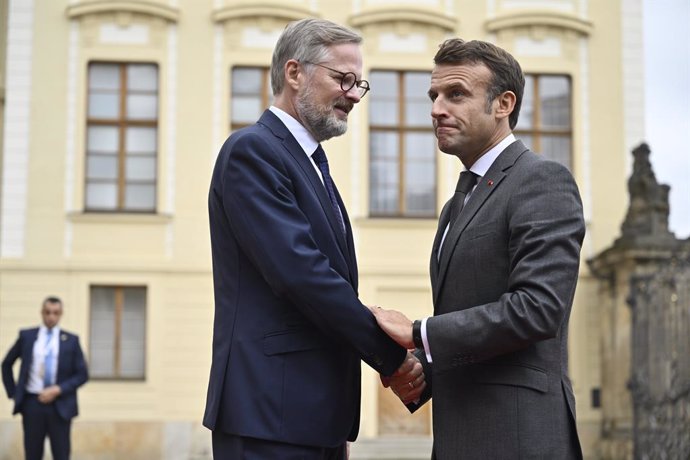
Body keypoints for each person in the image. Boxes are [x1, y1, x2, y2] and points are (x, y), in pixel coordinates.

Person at [203, 18, 419, 459]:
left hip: (312, 417)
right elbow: (302, 274)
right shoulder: (254, 151)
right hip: (270, 416)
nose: (355, 95)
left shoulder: (310, 163)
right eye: (343, 79)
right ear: (294, 72)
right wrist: (391, 357)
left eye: (360, 83)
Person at [371, 38, 585, 459]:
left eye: (456, 94)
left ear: (503, 104)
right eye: (433, 96)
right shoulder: (456, 204)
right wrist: (420, 371)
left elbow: (537, 309)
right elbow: (474, 322)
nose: (436, 109)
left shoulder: (541, 180)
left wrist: (419, 332)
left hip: (520, 441)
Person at [2, 296, 89, 460]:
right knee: (33, 454)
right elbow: (6, 364)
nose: (51, 317)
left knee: (61, 454)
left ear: (61, 314)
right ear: (42, 313)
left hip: (60, 406)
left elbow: (82, 374)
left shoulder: (71, 340)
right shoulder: (27, 336)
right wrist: (14, 394)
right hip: (32, 404)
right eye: (48, 312)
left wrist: (58, 389)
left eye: (55, 313)